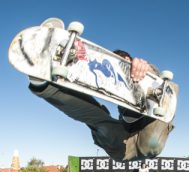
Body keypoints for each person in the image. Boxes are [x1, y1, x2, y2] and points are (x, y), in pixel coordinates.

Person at [27, 26, 177, 161]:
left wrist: (148, 69)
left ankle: (161, 95)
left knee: (151, 145)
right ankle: (45, 85)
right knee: (102, 126)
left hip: (150, 131)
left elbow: (153, 76)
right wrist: (79, 59)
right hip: (124, 145)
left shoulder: (141, 71)